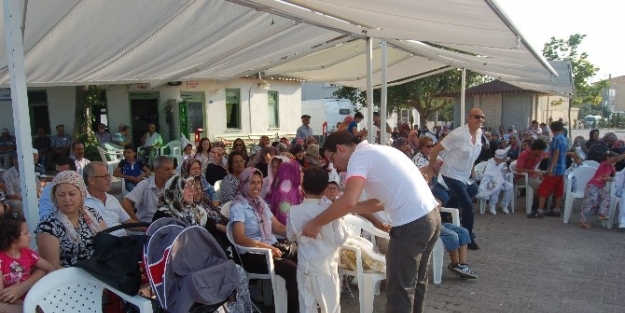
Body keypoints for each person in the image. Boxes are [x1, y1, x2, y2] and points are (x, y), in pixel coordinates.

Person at [303, 131, 440, 313]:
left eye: (332, 159)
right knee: (416, 283)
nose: (334, 167)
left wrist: (316, 223)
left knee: (399, 289)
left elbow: (349, 200)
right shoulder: (379, 150)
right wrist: (348, 208)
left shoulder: (358, 158)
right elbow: (379, 202)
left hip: (412, 223)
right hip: (430, 217)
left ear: (340, 149)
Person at [229, 168, 298, 313]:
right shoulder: (238, 206)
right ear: (244, 184)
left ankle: (298, 305)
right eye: (252, 182)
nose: (257, 187)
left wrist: (297, 233)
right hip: (252, 255)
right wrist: (267, 247)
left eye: (259, 182)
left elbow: (278, 227)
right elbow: (239, 238)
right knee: (292, 270)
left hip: (268, 248)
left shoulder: (260, 203)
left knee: (301, 257)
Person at [286, 167, 348, 313]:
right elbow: (341, 239)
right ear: (324, 189)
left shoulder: (293, 211)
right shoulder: (330, 210)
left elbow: (290, 236)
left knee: (307, 308)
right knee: (331, 308)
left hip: (305, 268)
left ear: (302, 186)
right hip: (326, 269)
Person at [425, 108, 484, 250]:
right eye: (477, 117)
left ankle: (444, 218)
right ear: (469, 118)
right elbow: (436, 149)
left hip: (464, 176)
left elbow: (472, 154)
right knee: (468, 205)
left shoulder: (479, 133)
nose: (480, 120)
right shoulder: (457, 134)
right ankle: (468, 237)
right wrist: (429, 169)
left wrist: (473, 169)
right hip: (450, 174)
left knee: (471, 190)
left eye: (482, 117)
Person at [36, 171, 107, 268]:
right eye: (61, 195)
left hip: (100, 269)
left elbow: (107, 244)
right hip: (70, 277)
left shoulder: (92, 214)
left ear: (82, 194)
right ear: (55, 197)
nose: (66, 199)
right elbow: (52, 266)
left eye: (72, 194)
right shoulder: (48, 225)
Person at [0, 212, 54, 312]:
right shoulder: (1, 258)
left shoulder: (28, 253)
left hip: (32, 297)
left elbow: (49, 268)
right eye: (26, 233)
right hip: (15, 303)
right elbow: (2, 295)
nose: (30, 235)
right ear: (13, 239)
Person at [84, 162, 138, 236]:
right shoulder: (82, 202)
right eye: (105, 176)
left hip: (124, 240)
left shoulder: (112, 199)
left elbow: (128, 222)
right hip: (106, 243)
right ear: (91, 180)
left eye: (108, 176)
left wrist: (150, 227)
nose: (109, 180)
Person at [529, 121, 567, 218]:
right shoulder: (564, 138)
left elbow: (556, 153)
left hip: (555, 168)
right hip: (562, 168)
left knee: (543, 189)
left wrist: (550, 167)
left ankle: (540, 211)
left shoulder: (556, 138)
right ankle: (556, 210)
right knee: (559, 190)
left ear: (552, 129)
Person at [121, 156, 175, 223]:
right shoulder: (145, 185)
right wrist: (137, 222)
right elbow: (125, 203)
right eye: (167, 169)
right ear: (156, 170)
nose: (171, 172)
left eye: (172, 168)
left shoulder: (174, 185)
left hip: (168, 226)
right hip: (147, 225)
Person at [579, 151, 625, 229]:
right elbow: (616, 159)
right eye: (614, 159)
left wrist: (610, 178)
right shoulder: (604, 164)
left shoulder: (611, 168)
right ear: (608, 158)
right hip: (593, 185)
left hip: (601, 187)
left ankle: (602, 213)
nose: (616, 161)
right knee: (591, 201)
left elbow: (613, 178)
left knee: (606, 197)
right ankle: (583, 220)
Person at [475, 149, 514, 215]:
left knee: (510, 186)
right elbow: (488, 174)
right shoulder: (490, 163)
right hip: (489, 181)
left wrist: (505, 172)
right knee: (496, 186)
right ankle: (492, 206)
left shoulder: (503, 164)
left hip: (501, 180)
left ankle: (504, 205)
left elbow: (504, 174)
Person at [514, 139, 548, 208]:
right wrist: (534, 171)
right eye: (541, 150)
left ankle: (535, 203)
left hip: (532, 176)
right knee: (542, 185)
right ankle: (535, 204)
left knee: (547, 183)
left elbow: (553, 154)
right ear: (536, 150)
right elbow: (518, 169)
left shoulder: (540, 154)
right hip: (522, 178)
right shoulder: (524, 154)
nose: (542, 152)